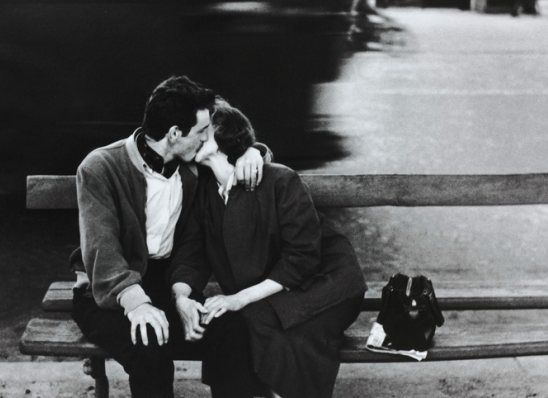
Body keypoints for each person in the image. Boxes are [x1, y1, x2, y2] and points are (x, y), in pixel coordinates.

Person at [70, 75, 270, 398]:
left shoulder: (190, 166)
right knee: (150, 347)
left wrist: (254, 154)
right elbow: (102, 251)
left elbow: (236, 143)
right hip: (106, 293)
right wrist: (136, 305)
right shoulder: (100, 168)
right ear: (175, 134)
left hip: (165, 284)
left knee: (231, 330)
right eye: (202, 132)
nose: (209, 140)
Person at [170, 104, 367, 398]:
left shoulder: (279, 180)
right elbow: (192, 252)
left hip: (324, 284)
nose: (194, 137)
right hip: (273, 289)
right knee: (225, 322)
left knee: (265, 329)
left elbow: (302, 259)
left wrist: (237, 298)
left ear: (222, 137)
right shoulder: (206, 190)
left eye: (202, 131)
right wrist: (182, 296)